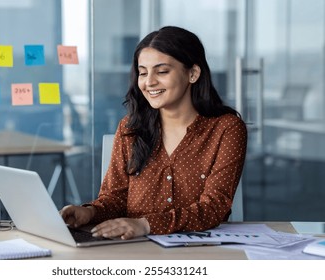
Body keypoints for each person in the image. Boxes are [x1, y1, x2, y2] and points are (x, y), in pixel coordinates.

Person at [60, 26, 247, 240]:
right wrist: (89, 212)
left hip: (199, 250)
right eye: (143, 72)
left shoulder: (226, 129)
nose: (149, 82)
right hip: (132, 246)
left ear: (193, 73)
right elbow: (116, 198)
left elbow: (214, 208)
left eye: (162, 71)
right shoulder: (129, 128)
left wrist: (146, 224)